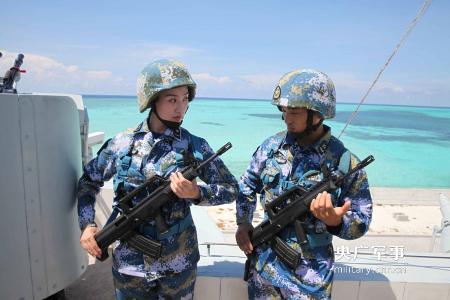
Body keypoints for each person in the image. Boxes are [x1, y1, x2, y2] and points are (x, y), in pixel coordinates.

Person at [77, 59, 238, 299]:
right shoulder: (122, 145)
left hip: (178, 265)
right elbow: (88, 183)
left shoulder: (196, 147)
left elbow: (230, 188)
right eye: (172, 100)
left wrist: (197, 193)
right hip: (129, 266)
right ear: (152, 100)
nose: (180, 108)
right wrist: (88, 225)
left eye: (185, 99)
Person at [235, 69, 372, 299]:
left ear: (318, 113)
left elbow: (363, 219)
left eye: (295, 112)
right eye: (284, 111)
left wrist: (336, 221)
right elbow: (247, 184)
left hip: (310, 278)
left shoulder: (345, 162)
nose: (287, 118)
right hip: (265, 270)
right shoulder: (270, 148)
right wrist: (243, 223)